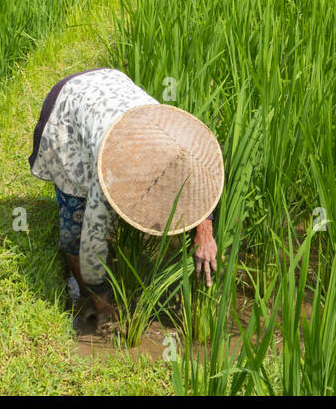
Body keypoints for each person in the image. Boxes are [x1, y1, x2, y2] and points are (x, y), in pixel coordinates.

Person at [28, 68, 223, 313]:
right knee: (75, 226)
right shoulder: (109, 174)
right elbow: (89, 245)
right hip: (68, 108)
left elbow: (205, 179)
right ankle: (87, 297)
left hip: (111, 84)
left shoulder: (178, 145)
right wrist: (104, 307)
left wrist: (205, 233)